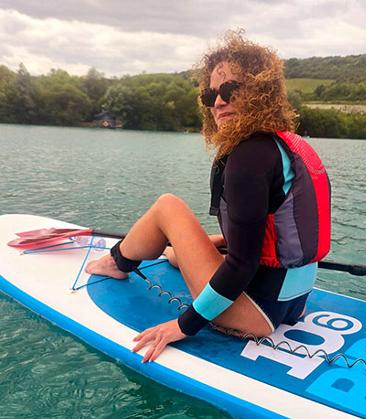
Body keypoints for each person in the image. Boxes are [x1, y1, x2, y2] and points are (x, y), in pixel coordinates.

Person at [86, 32, 331, 363]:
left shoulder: (248, 157)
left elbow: (242, 265)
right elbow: (270, 239)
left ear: (260, 92)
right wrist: (222, 242)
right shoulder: (286, 146)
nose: (218, 102)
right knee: (175, 255)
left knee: (167, 207)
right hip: (293, 303)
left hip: (255, 314)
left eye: (230, 91)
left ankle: (117, 262)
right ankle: (160, 252)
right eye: (210, 95)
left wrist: (183, 326)